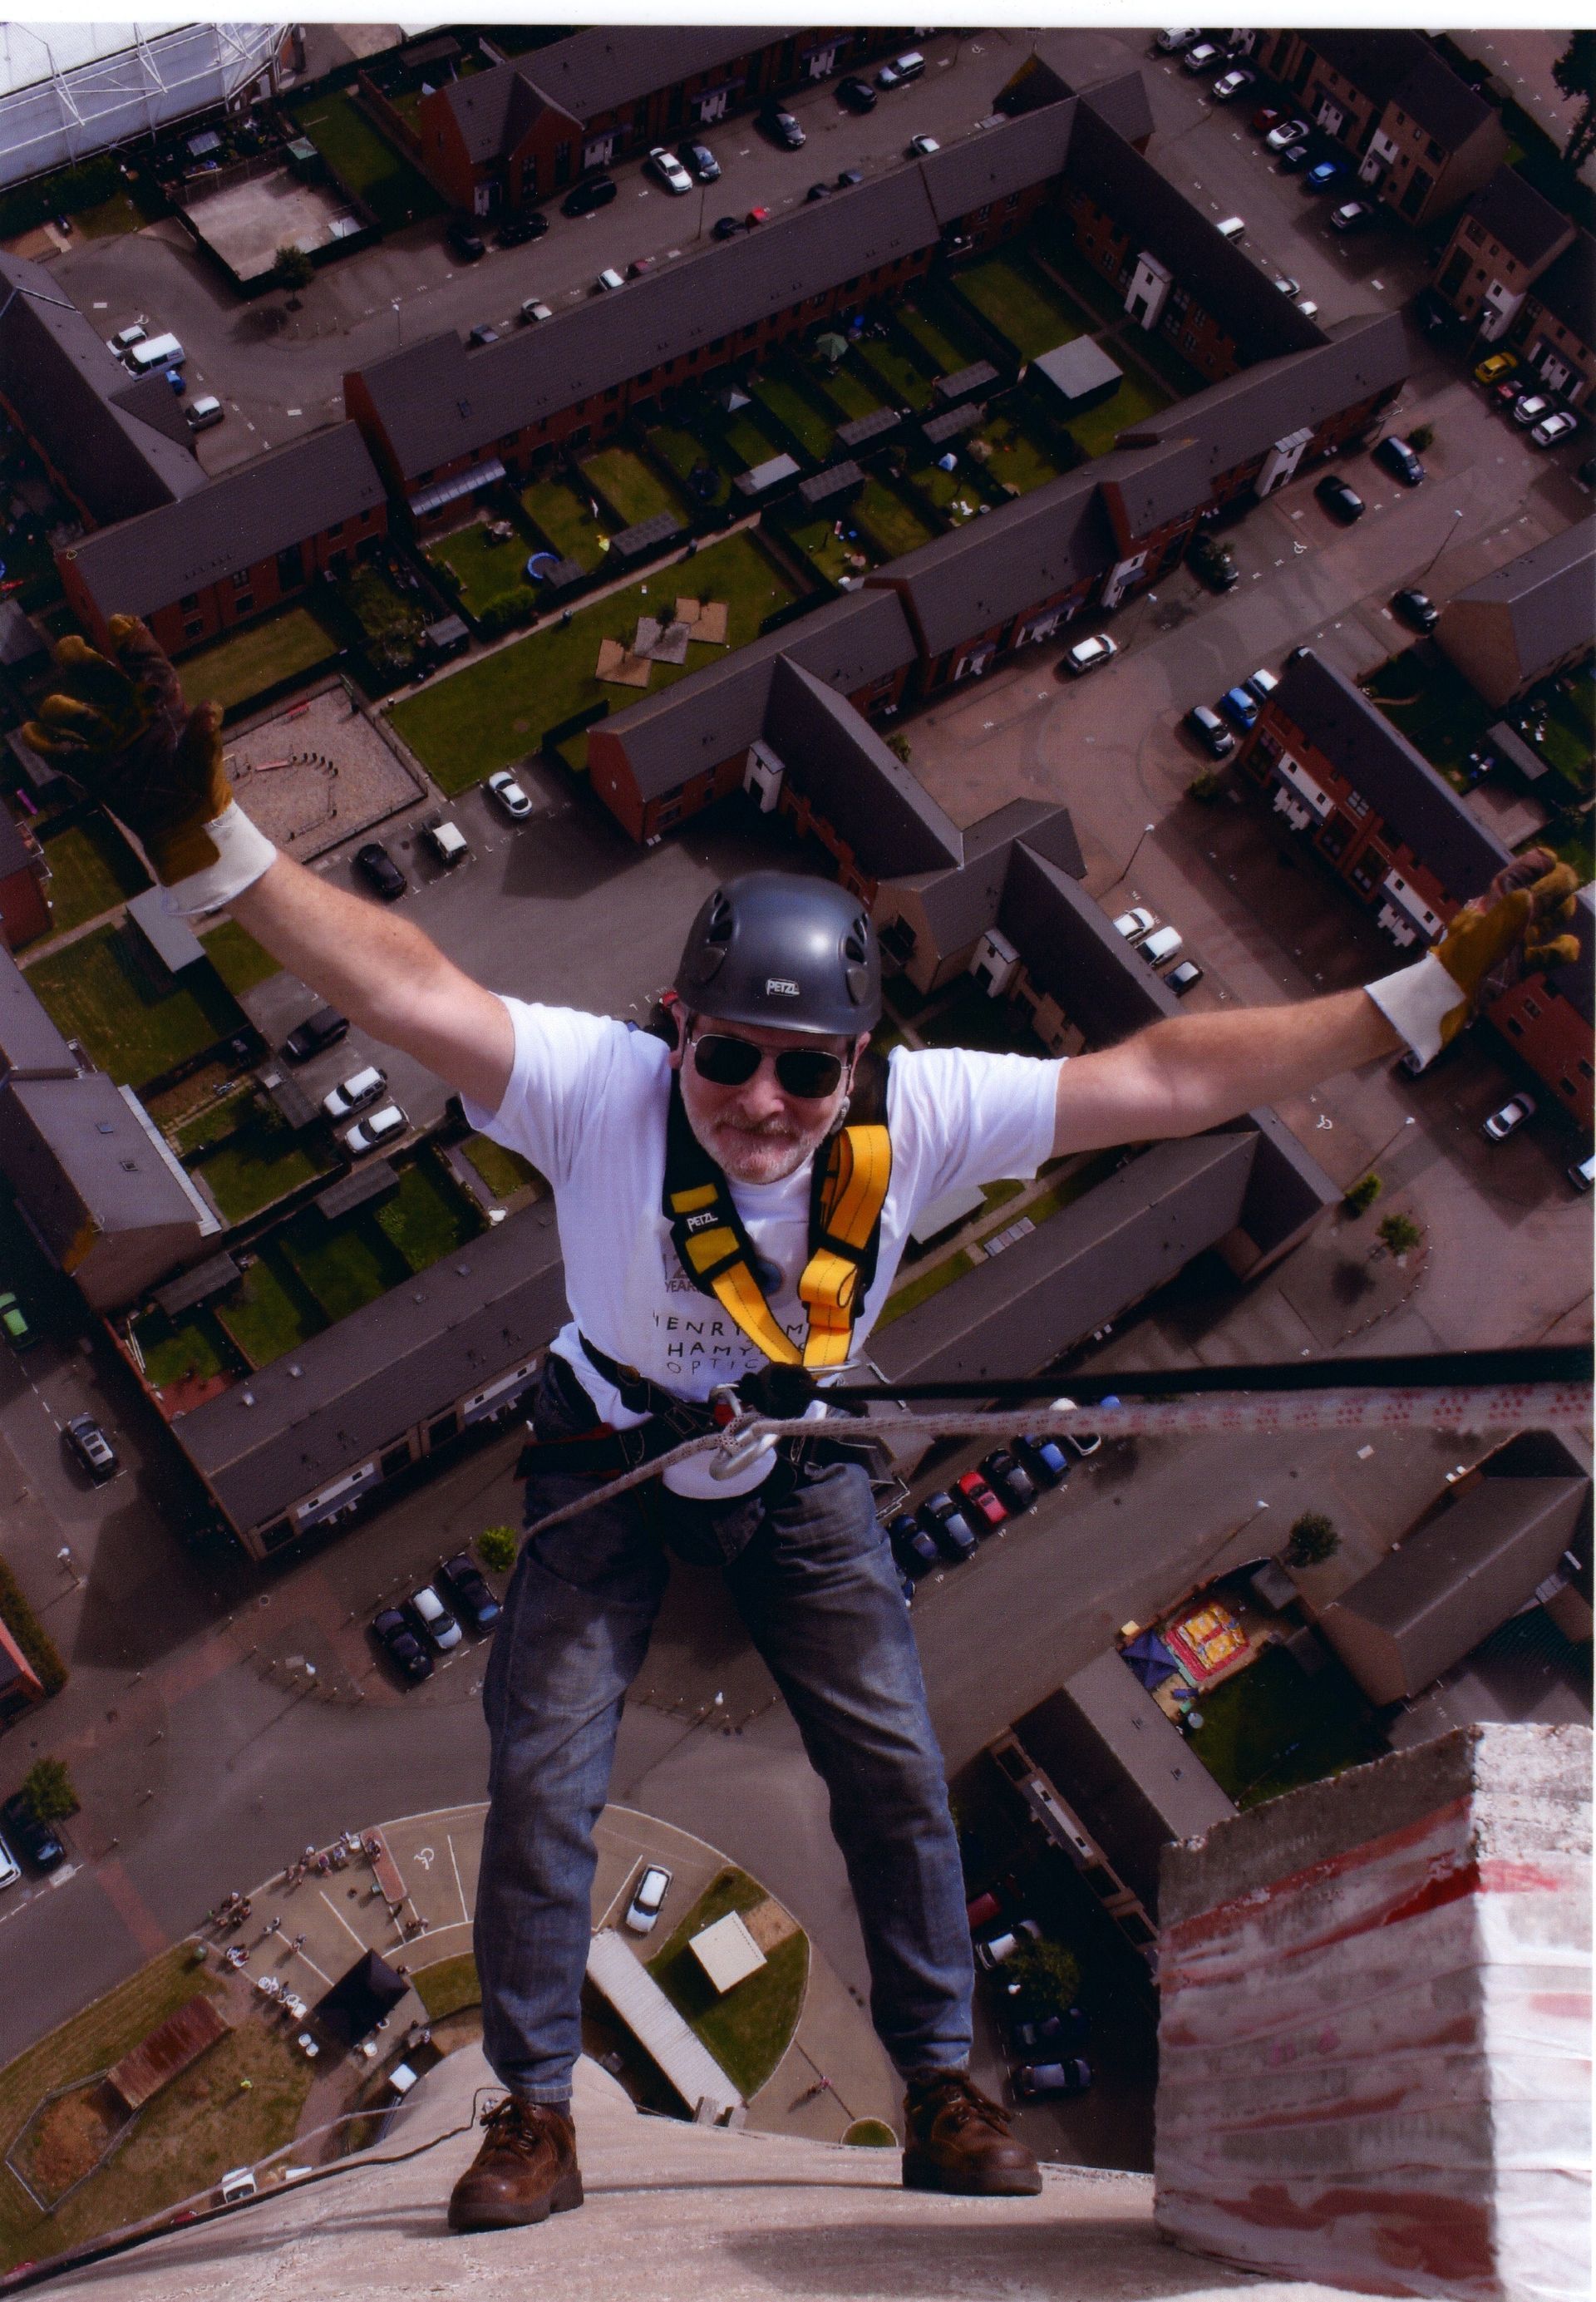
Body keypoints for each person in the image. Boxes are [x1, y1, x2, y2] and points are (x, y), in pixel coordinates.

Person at [28, 620, 1578, 2235]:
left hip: (796, 1460)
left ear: (861, 1065)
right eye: (731, 1056)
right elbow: (411, 984)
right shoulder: (595, 1090)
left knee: (895, 1762)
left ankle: (946, 2081)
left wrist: (1414, 993)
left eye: (805, 1071)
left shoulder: (920, 1122)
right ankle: (536, 2106)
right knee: (544, 1766)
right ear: (672, 1026)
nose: (762, 1101)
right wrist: (221, 842)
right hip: (610, 1449)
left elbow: (1168, 1070)